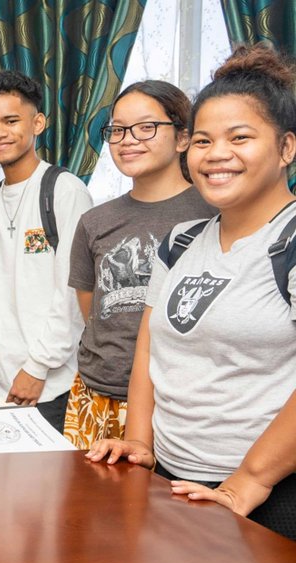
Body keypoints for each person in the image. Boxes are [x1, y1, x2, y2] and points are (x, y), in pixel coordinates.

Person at [89, 45, 296, 540]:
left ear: (287, 148)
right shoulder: (181, 241)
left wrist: (247, 482)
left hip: (262, 495)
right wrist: (140, 442)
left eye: (240, 137)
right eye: (203, 140)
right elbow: (149, 346)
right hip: (171, 479)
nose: (217, 154)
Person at [65, 82, 215, 449]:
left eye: (146, 127)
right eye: (117, 129)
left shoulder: (213, 213)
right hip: (95, 394)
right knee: (87, 505)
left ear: (183, 138)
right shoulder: (95, 221)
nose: (127, 139)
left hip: (177, 404)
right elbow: (93, 309)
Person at [0, 71, 94, 432]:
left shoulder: (64, 191)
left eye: (10, 121)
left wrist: (37, 367)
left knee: (43, 489)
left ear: (37, 123)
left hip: (46, 384)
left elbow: (73, 294)